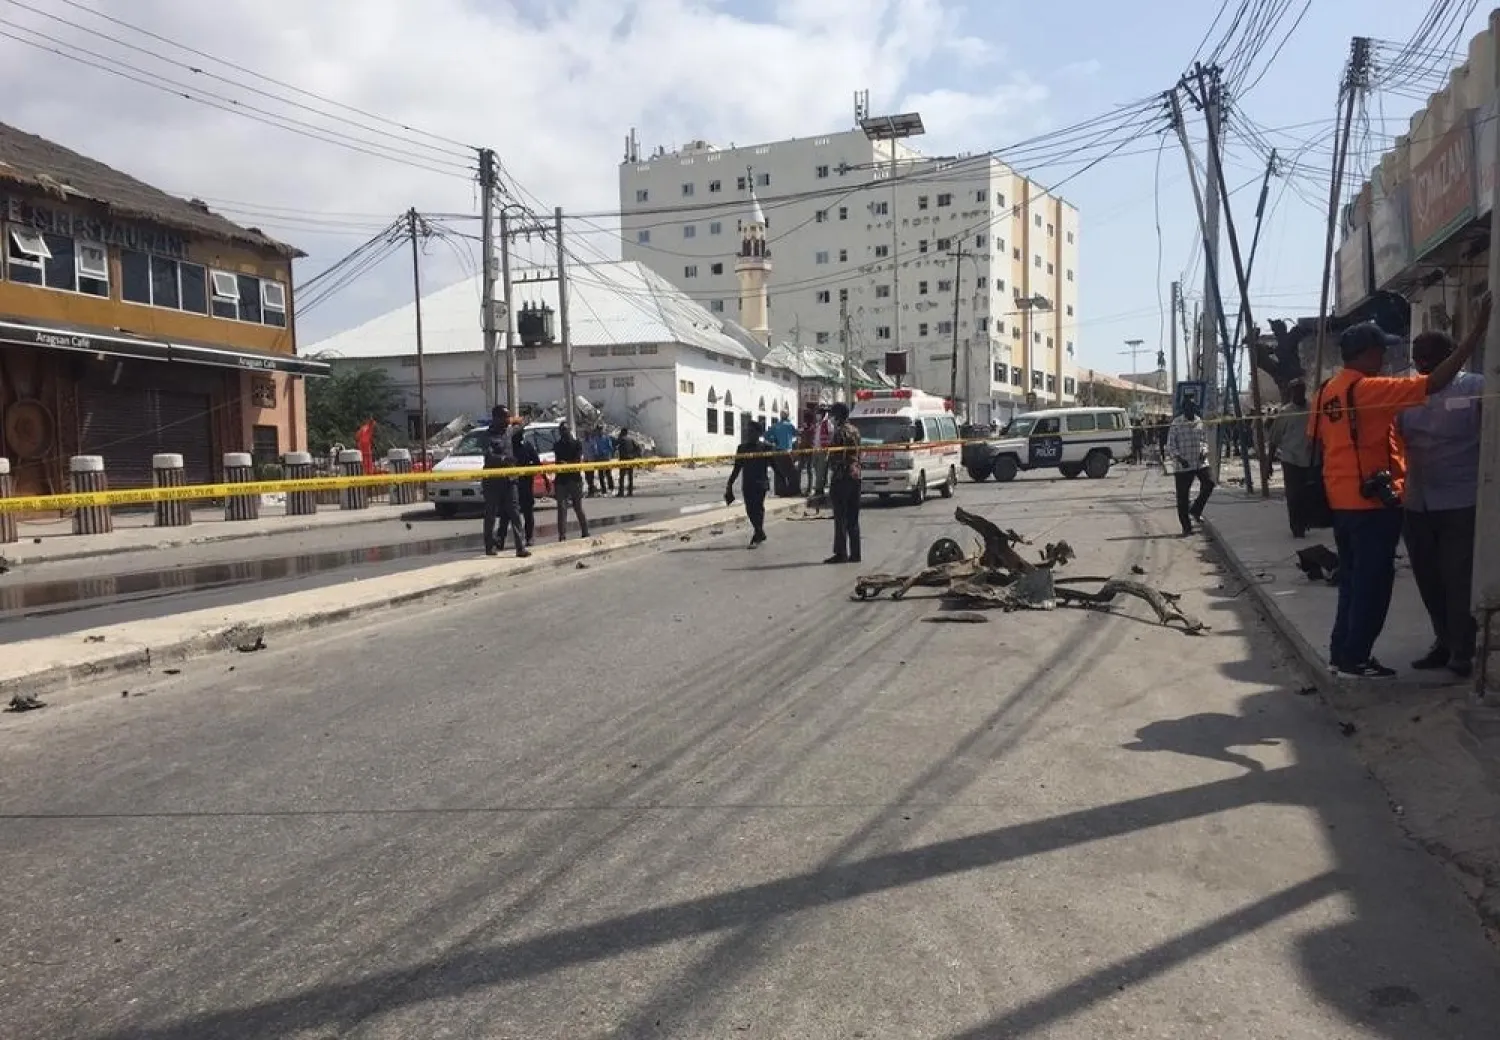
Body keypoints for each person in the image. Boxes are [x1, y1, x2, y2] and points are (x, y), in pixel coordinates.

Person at [1308, 302, 1487, 680]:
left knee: (1366, 580)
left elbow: (1324, 441)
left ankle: (1346, 652)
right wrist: (1476, 334)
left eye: (1428, 355)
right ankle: (1356, 656)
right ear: (1369, 354)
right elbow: (1432, 385)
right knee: (1375, 584)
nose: (1404, 358)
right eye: (1387, 351)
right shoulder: (1374, 389)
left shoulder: (1327, 390)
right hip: (1378, 504)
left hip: (1419, 499)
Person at [1397, 316, 1489, 678]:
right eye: (1417, 355)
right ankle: (1443, 640)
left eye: (1429, 355)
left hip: (1460, 501)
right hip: (1417, 501)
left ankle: (1463, 650)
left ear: (1452, 355)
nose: (1421, 362)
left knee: (1458, 578)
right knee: (1428, 577)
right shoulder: (1407, 392)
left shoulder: (1476, 388)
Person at [1267, 380, 1314, 538]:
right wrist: (1268, 464)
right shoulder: (1286, 412)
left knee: (1307, 494)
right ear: (1291, 392)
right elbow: (1274, 439)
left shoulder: (1313, 409)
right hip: (1290, 460)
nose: (1298, 394)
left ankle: (1305, 521)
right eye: (1295, 391)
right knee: (1293, 495)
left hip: (1309, 459)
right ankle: (1296, 526)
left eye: (1301, 390)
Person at [481, 405, 529, 559]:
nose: (508, 420)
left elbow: (524, 422)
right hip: (493, 481)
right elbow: (488, 456)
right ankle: (490, 546)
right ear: (496, 418)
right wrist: (504, 459)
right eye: (505, 417)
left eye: (509, 417)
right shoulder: (487, 436)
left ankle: (520, 547)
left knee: (515, 513)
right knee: (491, 514)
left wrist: (516, 419)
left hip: (510, 480)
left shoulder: (508, 431)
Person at [1166, 397, 1214, 536]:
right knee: (1183, 497)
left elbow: (1204, 441)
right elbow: (1171, 445)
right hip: (1183, 465)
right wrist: (1179, 458)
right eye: (1189, 408)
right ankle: (1186, 528)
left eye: (1193, 407)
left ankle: (1196, 509)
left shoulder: (1199, 422)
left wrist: (1204, 452)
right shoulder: (1177, 423)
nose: (1191, 410)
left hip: (1199, 462)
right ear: (1184, 409)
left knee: (1209, 483)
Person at [825, 401, 862, 564]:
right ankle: (856, 553)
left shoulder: (840, 432)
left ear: (838, 416)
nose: (831, 418)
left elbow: (835, 457)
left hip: (842, 477)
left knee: (840, 517)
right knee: (853, 517)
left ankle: (841, 553)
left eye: (833, 415)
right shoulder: (855, 431)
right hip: (856, 476)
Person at [725, 421, 773, 547]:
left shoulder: (766, 447)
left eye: (751, 431)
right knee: (750, 510)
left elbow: (775, 464)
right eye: (747, 431)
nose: (748, 434)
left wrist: (784, 477)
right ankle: (760, 532)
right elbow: (737, 468)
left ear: (758, 433)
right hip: (748, 484)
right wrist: (730, 483)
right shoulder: (742, 448)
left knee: (758, 509)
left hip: (761, 483)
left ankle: (757, 534)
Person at [551, 421, 590, 541]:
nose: (563, 432)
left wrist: (567, 464)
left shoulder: (576, 443)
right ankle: (562, 535)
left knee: (577, 506)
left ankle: (585, 531)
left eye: (565, 430)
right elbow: (557, 460)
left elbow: (578, 460)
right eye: (561, 430)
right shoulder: (557, 445)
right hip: (561, 479)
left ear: (569, 431)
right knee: (561, 508)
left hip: (574, 478)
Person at [511, 426, 540, 546]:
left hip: (526, 483)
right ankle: (511, 538)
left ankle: (529, 537)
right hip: (513, 483)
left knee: (528, 512)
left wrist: (529, 469)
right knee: (511, 512)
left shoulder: (527, 446)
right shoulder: (510, 447)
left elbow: (537, 462)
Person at [586, 427, 615, 496]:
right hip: (599, 459)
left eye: (601, 430)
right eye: (598, 430)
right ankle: (603, 490)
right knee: (601, 475)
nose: (599, 432)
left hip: (606, 458)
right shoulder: (595, 439)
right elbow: (594, 448)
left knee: (608, 474)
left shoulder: (606, 438)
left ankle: (611, 488)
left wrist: (605, 452)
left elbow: (610, 448)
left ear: (603, 431)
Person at [616, 428, 640, 497]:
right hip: (630, 459)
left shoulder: (621, 439)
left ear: (622, 433)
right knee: (630, 476)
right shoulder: (631, 439)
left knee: (622, 477)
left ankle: (621, 492)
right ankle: (630, 492)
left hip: (623, 460)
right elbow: (638, 447)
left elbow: (615, 444)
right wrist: (634, 455)